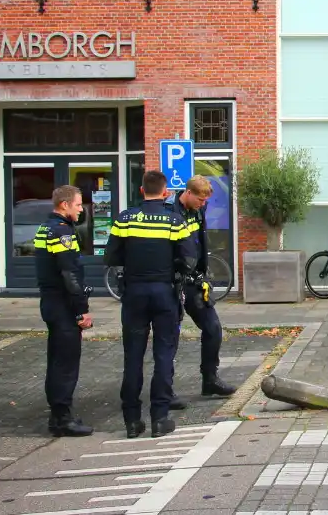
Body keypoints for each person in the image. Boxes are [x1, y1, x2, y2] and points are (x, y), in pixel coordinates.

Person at [105, 170, 199, 439]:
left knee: (132, 357)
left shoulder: (124, 219)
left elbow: (111, 256)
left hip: (133, 293)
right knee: (163, 355)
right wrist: (176, 271)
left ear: (142, 191)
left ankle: (132, 421)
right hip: (164, 292)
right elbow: (189, 258)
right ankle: (159, 418)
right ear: (165, 191)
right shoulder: (173, 220)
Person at [165, 175, 237, 408]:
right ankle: (166, 391)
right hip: (173, 282)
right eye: (200, 200)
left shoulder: (197, 211)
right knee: (170, 336)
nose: (202, 204)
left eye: (206, 201)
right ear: (187, 192)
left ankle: (210, 379)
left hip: (194, 280)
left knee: (213, 328)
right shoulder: (169, 211)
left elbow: (200, 242)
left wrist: (203, 274)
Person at [34, 184, 94, 437]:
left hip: (50, 301)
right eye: (78, 205)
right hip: (63, 304)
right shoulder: (61, 232)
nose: (82, 209)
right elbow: (69, 275)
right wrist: (81, 310)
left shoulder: (45, 228)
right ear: (64, 205)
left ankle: (58, 414)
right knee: (66, 363)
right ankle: (62, 418)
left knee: (57, 359)